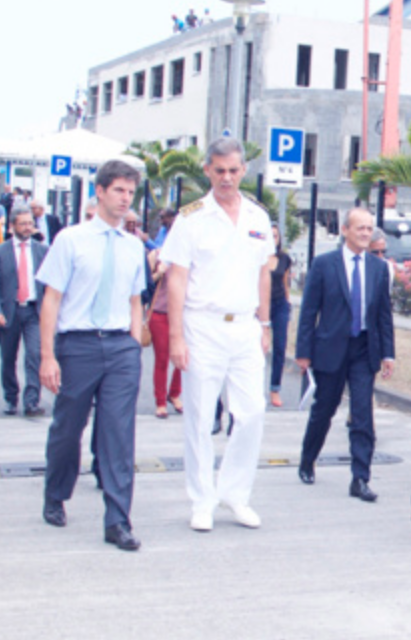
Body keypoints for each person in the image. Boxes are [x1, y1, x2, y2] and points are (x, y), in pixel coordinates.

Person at [160, 137, 273, 532]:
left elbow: (264, 273)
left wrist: (265, 323)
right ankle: (202, 500)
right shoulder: (191, 216)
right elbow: (177, 278)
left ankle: (235, 494)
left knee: (252, 412)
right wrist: (176, 337)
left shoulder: (258, 218)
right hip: (202, 325)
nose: (227, 178)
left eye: (233, 170)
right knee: (200, 415)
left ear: (244, 171)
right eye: (219, 170)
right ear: (207, 170)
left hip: (244, 326)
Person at [37, 160, 147, 552]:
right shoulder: (70, 239)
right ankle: (56, 492)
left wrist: (133, 343)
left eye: (130, 192)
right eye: (118, 190)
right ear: (99, 192)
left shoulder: (134, 246)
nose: (125, 199)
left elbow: (136, 300)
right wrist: (47, 356)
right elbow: (51, 299)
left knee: (118, 433)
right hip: (78, 344)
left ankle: (117, 519)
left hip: (120, 346)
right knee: (68, 427)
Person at [295, 208, 395, 501]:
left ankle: (360, 478)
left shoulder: (378, 268)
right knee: (324, 409)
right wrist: (304, 352)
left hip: (364, 350)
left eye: (369, 228)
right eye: (360, 228)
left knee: (363, 414)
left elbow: (384, 315)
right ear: (344, 230)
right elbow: (309, 311)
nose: (365, 233)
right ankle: (307, 459)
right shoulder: (325, 264)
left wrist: (388, 353)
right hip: (331, 347)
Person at [0, 206, 47, 417]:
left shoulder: (42, 250)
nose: (28, 227)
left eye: (30, 223)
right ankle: (10, 397)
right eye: (23, 224)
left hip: (33, 311)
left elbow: (48, 283)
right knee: (8, 357)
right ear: (12, 226)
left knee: (34, 355)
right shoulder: (0, 252)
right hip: (9, 311)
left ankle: (32, 401)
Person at [146, 247, 182, 418]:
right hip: (160, 313)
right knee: (162, 358)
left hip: (183, 314)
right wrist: (159, 272)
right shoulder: (158, 255)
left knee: (184, 357)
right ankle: (160, 401)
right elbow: (145, 284)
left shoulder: (190, 254)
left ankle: (174, 393)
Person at [266, 224, 293, 408]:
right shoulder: (258, 257)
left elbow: (285, 281)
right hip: (262, 305)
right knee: (258, 346)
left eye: (276, 235)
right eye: (270, 235)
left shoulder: (284, 258)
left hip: (280, 304)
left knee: (280, 346)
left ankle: (275, 388)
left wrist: (288, 301)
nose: (273, 238)